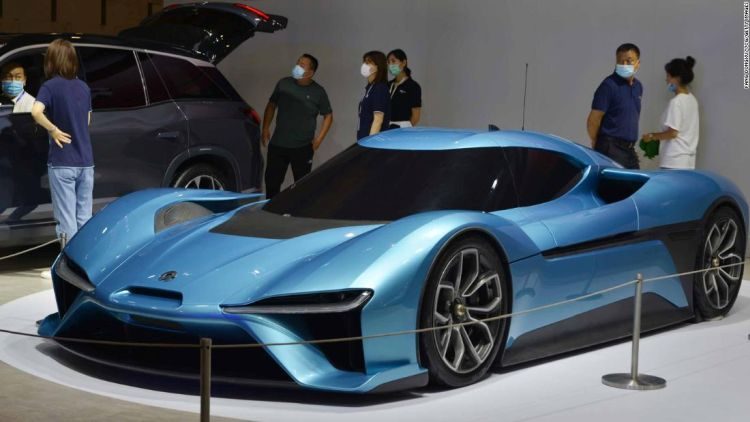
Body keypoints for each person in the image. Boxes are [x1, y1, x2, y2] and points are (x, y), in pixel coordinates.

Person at [31, 39, 93, 243]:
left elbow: (36, 112)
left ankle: (67, 261)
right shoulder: (84, 87)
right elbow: (87, 122)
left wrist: (53, 130)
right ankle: (83, 260)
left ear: (51, 61)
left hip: (62, 161)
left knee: (66, 221)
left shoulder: (50, 86)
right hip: (86, 162)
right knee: (84, 219)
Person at [262, 53, 333, 199]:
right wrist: (265, 128)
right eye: (297, 63)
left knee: (302, 187)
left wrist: (319, 140)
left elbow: (328, 115)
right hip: (278, 144)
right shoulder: (283, 84)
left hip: (303, 147)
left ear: (311, 72)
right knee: (272, 183)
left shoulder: (318, 92)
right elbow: (271, 105)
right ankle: (270, 210)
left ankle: (296, 211)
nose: (297, 66)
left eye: (302, 65)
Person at [587, 43, 643, 169]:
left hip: (629, 150)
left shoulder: (638, 87)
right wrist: (597, 141)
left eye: (629, 61)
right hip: (611, 148)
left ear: (638, 63)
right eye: (620, 61)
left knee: (635, 181)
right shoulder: (609, 86)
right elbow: (593, 119)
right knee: (615, 182)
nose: (624, 65)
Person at [641, 57, 699, 169]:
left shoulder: (676, 102)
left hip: (673, 161)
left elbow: (672, 133)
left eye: (668, 76)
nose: (666, 80)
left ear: (677, 78)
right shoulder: (692, 100)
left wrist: (652, 136)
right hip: (688, 162)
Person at [357, 51, 390, 140]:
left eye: (368, 62)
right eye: (364, 62)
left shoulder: (380, 88)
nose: (364, 65)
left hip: (372, 142)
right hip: (363, 138)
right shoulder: (370, 87)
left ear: (378, 66)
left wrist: (370, 143)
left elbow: (378, 119)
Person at [387, 49, 421, 129]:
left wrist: (406, 129)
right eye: (388, 62)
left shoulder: (413, 86)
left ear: (404, 63)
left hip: (402, 129)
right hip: (386, 129)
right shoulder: (388, 85)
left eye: (393, 61)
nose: (390, 65)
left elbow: (416, 117)